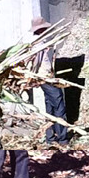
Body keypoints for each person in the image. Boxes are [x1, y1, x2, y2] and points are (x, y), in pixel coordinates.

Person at [30, 16, 69, 145]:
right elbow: (35, 64)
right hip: (46, 79)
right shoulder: (38, 45)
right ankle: (62, 138)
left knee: (50, 107)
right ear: (41, 30)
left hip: (47, 78)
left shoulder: (42, 43)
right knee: (59, 105)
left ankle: (50, 138)